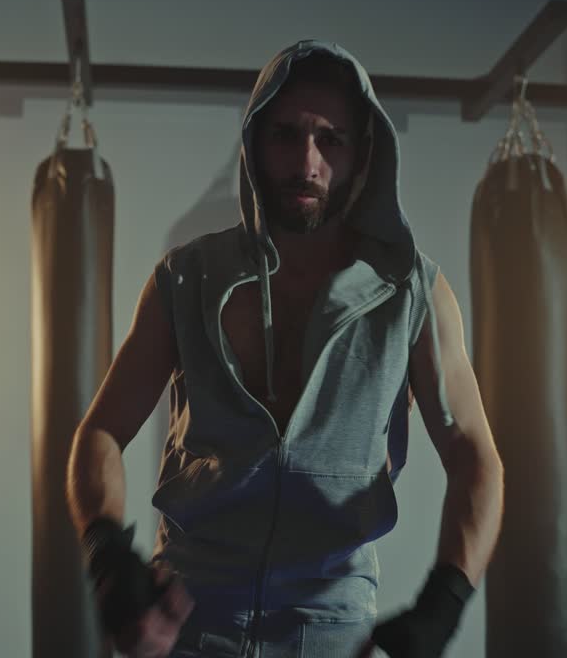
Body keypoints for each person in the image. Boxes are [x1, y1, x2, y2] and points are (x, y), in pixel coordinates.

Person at [66, 40, 504, 658]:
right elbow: (101, 433)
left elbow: (474, 454)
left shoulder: (413, 294)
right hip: (185, 622)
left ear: (363, 155)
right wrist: (107, 555)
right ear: (253, 144)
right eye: (285, 135)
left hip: (331, 627)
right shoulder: (186, 279)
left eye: (331, 139)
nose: (307, 161)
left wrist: (445, 600)